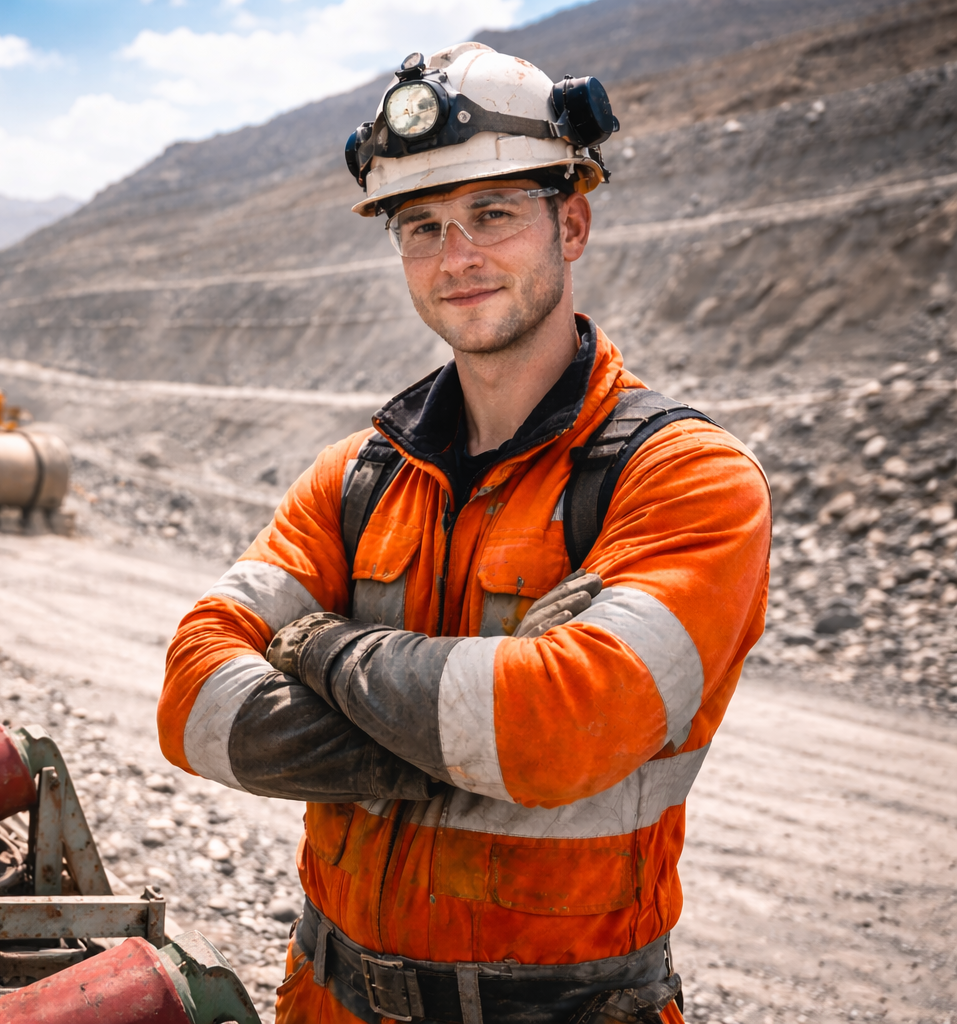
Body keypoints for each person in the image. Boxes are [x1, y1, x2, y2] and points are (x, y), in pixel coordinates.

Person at [157, 42, 771, 1024]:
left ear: (571, 222)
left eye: (493, 214)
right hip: (327, 999)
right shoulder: (355, 478)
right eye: (424, 226)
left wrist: (314, 645)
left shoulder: (686, 479)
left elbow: (560, 732)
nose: (459, 257)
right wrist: (475, 726)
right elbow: (191, 704)